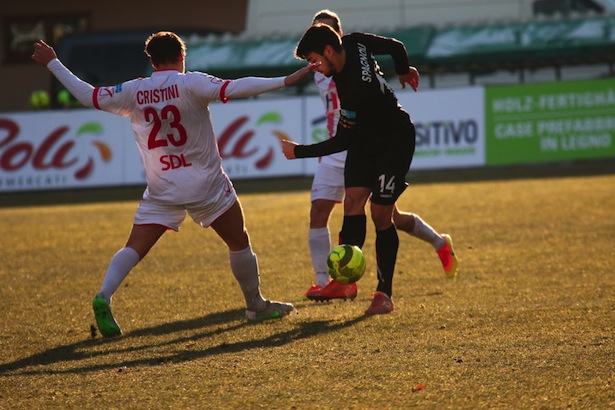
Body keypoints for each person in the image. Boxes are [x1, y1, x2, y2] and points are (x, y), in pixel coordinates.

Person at [32, 32, 317, 337]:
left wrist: (54, 63)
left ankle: (104, 294)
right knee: (238, 241)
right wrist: (286, 80)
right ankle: (255, 305)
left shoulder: (134, 91)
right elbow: (236, 87)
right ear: (182, 57)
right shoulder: (190, 82)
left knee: (134, 247)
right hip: (206, 185)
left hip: (162, 188)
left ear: (151, 61)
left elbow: (87, 95)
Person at [283, 24, 447, 316]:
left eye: (315, 61)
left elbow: (341, 139)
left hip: (394, 141)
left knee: (381, 214)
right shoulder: (354, 41)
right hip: (364, 141)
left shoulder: (352, 89)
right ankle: (344, 281)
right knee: (353, 203)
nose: (316, 69)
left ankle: (384, 294)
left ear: (329, 50)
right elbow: (396, 46)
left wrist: (300, 152)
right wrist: (403, 70)